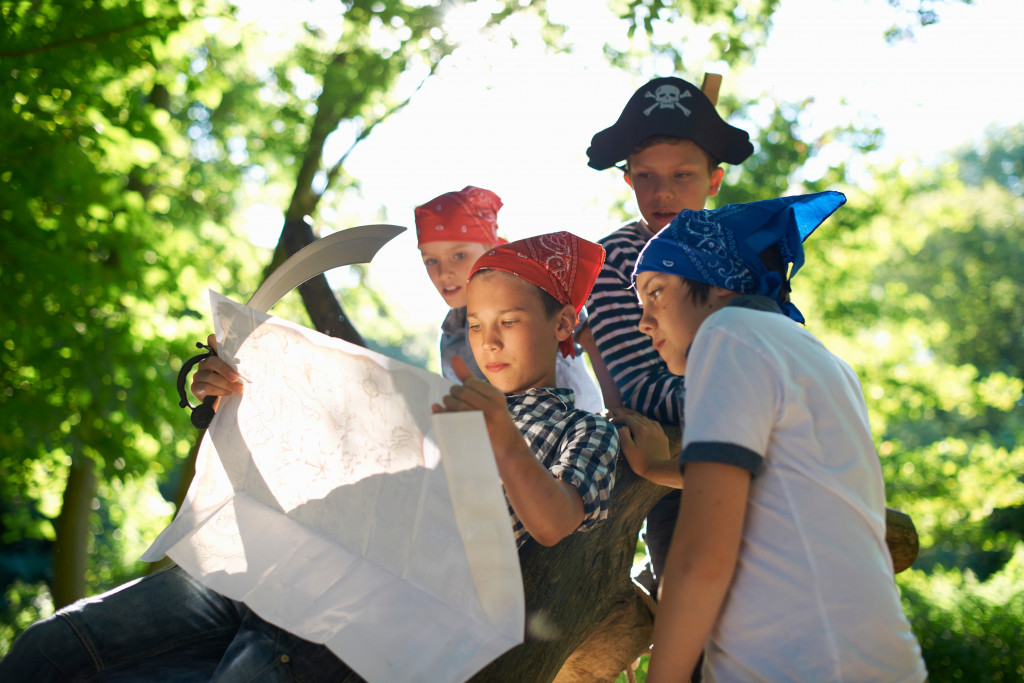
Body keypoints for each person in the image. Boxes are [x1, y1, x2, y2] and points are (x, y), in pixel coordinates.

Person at [0, 232, 619, 681]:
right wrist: (236, 391)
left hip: (351, 617)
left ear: (563, 320)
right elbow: (327, 442)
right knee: (45, 653)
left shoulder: (584, 431)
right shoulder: (437, 399)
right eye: (476, 322)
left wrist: (503, 439)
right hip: (268, 564)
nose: (487, 340)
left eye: (508, 321)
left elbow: (556, 520)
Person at [618, 191, 928, 682]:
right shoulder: (814, 356)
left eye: (656, 291)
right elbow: (779, 484)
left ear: (717, 283)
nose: (643, 320)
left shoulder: (727, 335)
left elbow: (702, 555)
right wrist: (656, 469)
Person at [582, 75, 754, 584]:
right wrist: (749, 396)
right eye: (646, 176)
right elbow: (642, 389)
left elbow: (778, 346)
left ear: (714, 180)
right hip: (676, 475)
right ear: (628, 180)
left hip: (769, 466)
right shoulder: (612, 259)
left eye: (682, 175)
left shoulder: (745, 251)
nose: (663, 193)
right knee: (699, 630)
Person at [415, 186, 604, 413]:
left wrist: (615, 408)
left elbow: (592, 340)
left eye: (459, 255)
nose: (444, 272)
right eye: (431, 261)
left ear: (491, 249)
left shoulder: (533, 292)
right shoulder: (450, 332)